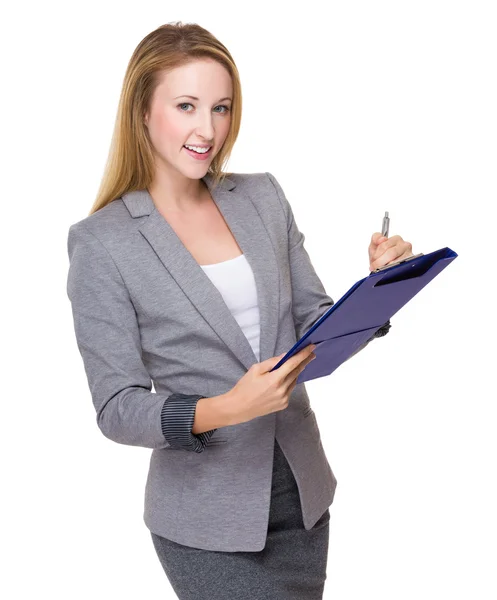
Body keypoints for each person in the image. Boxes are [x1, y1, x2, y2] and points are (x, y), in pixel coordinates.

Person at [66, 21, 414, 600]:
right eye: (186, 105)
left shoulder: (262, 196)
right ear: (142, 112)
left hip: (302, 496)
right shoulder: (102, 243)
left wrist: (379, 287)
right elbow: (116, 407)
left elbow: (315, 326)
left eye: (221, 108)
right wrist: (223, 409)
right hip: (204, 520)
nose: (208, 129)